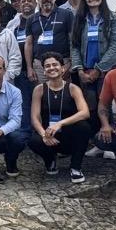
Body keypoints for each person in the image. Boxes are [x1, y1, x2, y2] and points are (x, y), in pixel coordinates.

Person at [27, 52, 92, 183]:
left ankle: (75, 167)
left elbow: (85, 112)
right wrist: (43, 134)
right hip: (49, 135)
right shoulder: (39, 89)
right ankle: (50, 160)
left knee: (84, 127)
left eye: (55, 64)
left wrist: (60, 123)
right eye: (47, 66)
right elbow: (35, 117)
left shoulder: (73, 88)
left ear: (62, 68)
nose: (51, 68)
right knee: (33, 139)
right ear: (44, 71)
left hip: (68, 134)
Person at [69, 0, 116, 108]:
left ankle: (106, 128)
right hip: (85, 71)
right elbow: (74, 45)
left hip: (106, 71)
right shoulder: (79, 19)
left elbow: (115, 45)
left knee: (105, 106)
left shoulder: (114, 18)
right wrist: (80, 70)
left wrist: (98, 69)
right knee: (89, 107)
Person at [24, 0, 74, 85]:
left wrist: (71, 64)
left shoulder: (67, 14)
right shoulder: (31, 19)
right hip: (39, 65)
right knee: (42, 94)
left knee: (64, 94)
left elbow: (73, 40)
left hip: (62, 63)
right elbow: (28, 44)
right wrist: (29, 68)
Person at [6, 0, 38, 134]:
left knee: (39, 101)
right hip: (19, 69)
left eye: (29, 1)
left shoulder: (39, 20)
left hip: (37, 68)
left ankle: (40, 130)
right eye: (23, 1)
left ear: (35, 3)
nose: (26, 3)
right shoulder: (13, 24)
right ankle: (25, 131)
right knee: (23, 102)